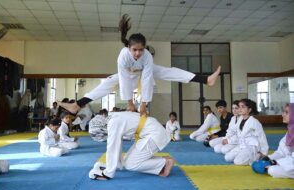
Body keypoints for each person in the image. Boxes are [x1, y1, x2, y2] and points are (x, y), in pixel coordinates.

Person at [58, 14, 221, 116]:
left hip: (143, 71)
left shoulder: (147, 56)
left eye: (141, 50)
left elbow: (147, 80)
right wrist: (130, 104)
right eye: (135, 50)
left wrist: (143, 104)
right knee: (108, 82)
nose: (138, 53)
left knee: (167, 72)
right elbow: (123, 80)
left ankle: (205, 80)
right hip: (128, 73)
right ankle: (76, 105)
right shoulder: (123, 57)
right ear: (128, 48)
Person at [88, 112, 174, 180]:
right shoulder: (111, 117)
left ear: (101, 130)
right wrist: (117, 165)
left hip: (154, 134)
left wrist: (108, 174)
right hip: (149, 131)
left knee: (130, 165)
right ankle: (163, 160)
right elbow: (117, 144)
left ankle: (165, 162)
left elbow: (112, 148)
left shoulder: (112, 124)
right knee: (126, 161)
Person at [253, 103, 294, 178]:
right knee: (267, 168)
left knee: (272, 170)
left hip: (291, 163)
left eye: (287, 112)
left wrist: (274, 162)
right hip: (290, 163)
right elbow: (281, 152)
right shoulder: (290, 132)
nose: (283, 115)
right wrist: (268, 158)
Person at [224, 99, 268, 165]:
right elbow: (233, 131)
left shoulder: (254, 122)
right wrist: (227, 138)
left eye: (243, 107)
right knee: (227, 157)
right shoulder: (240, 119)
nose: (240, 109)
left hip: (251, 146)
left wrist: (264, 152)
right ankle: (244, 155)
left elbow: (261, 137)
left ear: (249, 110)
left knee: (237, 162)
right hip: (242, 145)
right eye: (239, 106)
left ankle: (257, 155)